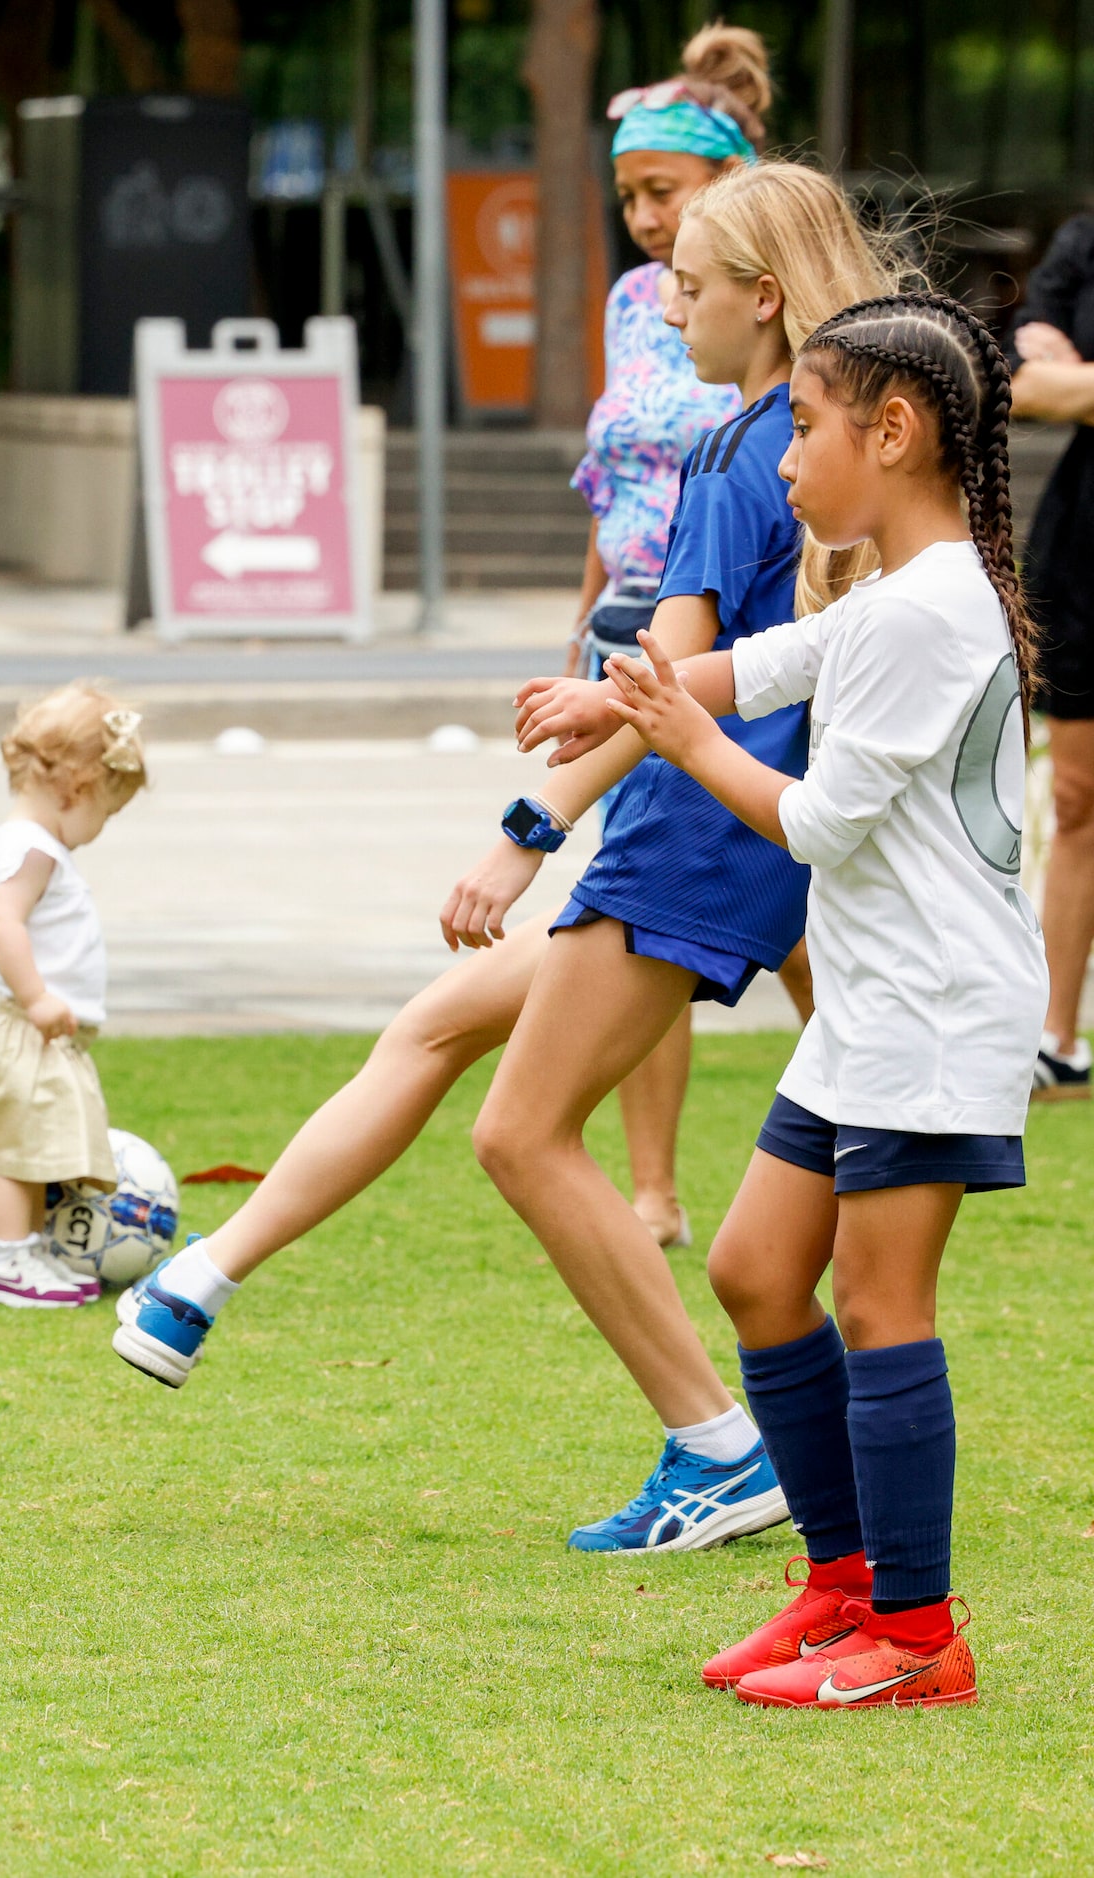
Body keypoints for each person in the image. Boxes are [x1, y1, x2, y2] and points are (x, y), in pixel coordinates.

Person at [112, 162, 898, 1561]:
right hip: (713, 837)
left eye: (693, 284)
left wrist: (522, 832)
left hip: (688, 845)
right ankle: (197, 1280)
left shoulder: (741, 457)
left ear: (764, 300)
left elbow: (671, 690)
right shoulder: (803, 436)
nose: (664, 301)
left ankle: (722, 1444)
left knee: (521, 1135)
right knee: (435, 1025)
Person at [525, 292, 1039, 1707]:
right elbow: (764, 662)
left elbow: (813, 821)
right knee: (758, 1269)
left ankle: (920, 1635)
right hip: (875, 1009)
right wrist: (619, 696)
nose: (788, 459)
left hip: (932, 1010)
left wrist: (678, 737)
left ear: (897, 429)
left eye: (806, 429)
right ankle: (838, 1588)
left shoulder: (927, 613)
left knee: (881, 1304)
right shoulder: (892, 596)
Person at [570, 23, 769, 1248]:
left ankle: (866, 1131)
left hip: (735, 634)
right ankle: (652, 1188)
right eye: (630, 196)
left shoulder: (758, 316)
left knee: (782, 896)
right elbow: (608, 480)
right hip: (631, 629)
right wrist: (575, 635)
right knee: (647, 912)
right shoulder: (630, 305)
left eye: (663, 192)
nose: (644, 219)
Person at [0, 684, 147, 1308]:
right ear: (74, 788)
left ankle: (28, 1248)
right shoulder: (28, 846)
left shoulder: (34, 844)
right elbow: (4, 923)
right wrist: (37, 998)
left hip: (36, 1025)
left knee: (39, 1145)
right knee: (16, 1149)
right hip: (21, 1021)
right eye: (105, 813)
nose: (99, 830)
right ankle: (4, 1263)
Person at [1008, 213, 1094, 1094]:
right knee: (1074, 799)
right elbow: (1020, 385)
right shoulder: (1082, 244)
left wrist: (1076, 376)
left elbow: (1054, 378)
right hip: (1083, 550)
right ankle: (1058, 1040)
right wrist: (1054, 380)